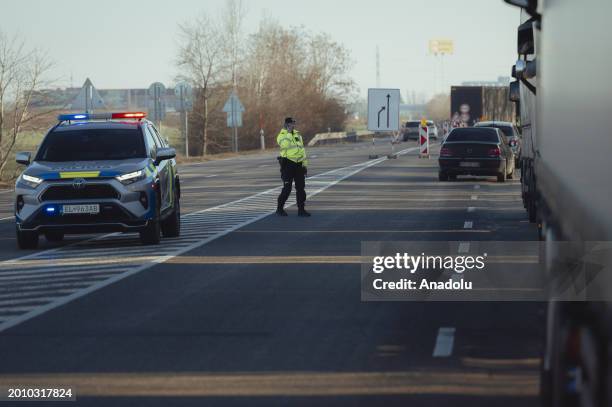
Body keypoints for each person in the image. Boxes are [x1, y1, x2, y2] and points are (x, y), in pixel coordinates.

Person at [276, 117, 310, 217]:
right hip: (288, 164)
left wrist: (305, 165)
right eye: (290, 124)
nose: (292, 125)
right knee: (287, 188)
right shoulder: (281, 135)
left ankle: (301, 210)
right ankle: (279, 209)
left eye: (293, 123)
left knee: (301, 188)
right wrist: (288, 133)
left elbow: (302, 150)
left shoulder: (298, 134)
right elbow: (284, 145)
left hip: (299, 164)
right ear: (286, 125)